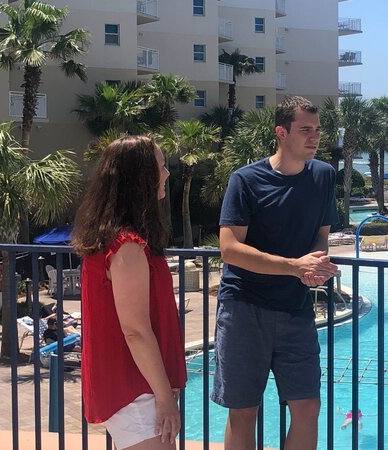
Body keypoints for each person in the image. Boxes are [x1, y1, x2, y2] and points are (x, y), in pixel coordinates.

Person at [212, 96, 339, 450]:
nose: (314, 137)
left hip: (295, 309)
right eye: (304, 130)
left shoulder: (324, 176)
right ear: (281, 132)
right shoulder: (246, 180)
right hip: (243, 309)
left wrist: (316, 267)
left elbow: (321, 238)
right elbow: (230, 249)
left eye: (317, 130)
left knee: (308, 406)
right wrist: (293, 266)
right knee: (243, 411)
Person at [72, 136, 186, 449]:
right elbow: (135, 330)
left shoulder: (111, 240)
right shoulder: (128, 246)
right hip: (134, 387)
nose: (166, 174)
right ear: (142, 178)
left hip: (133, 383)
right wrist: (163, 397)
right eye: (161, 167)